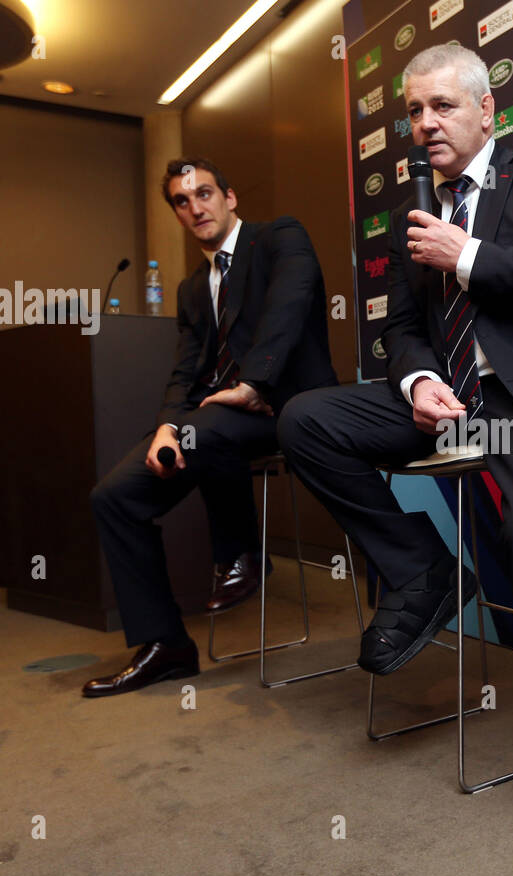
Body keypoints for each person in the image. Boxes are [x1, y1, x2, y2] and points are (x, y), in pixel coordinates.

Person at [278, 45, 513, 850]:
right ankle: (423, 569)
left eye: (441, 106)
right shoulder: (417, 205)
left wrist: (465, 256)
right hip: (447, 402)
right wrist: (415, 384)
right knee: (305, 419)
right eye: (413, 110)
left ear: (486, 113)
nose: (424, 123)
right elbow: (402, 329)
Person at [83, 157, 336, 698]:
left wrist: (254, 384)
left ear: (230, 196)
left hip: (291, 410)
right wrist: (166, 430)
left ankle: (240, 554)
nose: (195, 206)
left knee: (214, 423)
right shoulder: (192, 288)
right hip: (215, 423)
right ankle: (165, 645)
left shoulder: (278, 239)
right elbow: (185, 369)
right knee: (115, 497)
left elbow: (289, 309)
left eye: (204, 193)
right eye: (181, 199)